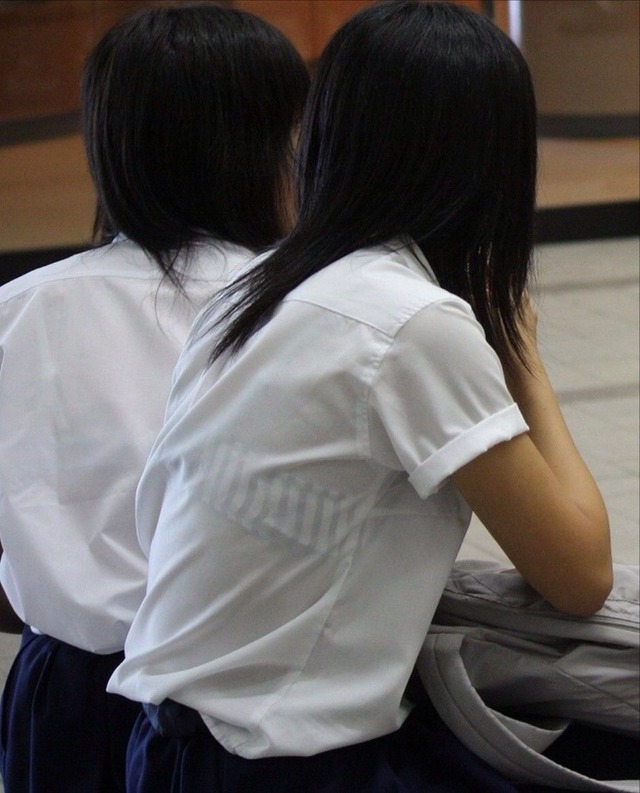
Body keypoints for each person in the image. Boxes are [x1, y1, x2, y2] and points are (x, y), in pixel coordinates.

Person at [108, 2, 613, 790]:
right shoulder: (411, 323)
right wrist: (522, 357)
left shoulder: (256, 293)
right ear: (492, 164)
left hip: (170, 742)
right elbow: (580, 572)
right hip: (279, 763)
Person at [0, 5, 308, 792]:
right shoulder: (305, 310)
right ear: (266, 150)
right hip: (244, 703)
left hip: (62, 688)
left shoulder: (23, 307)